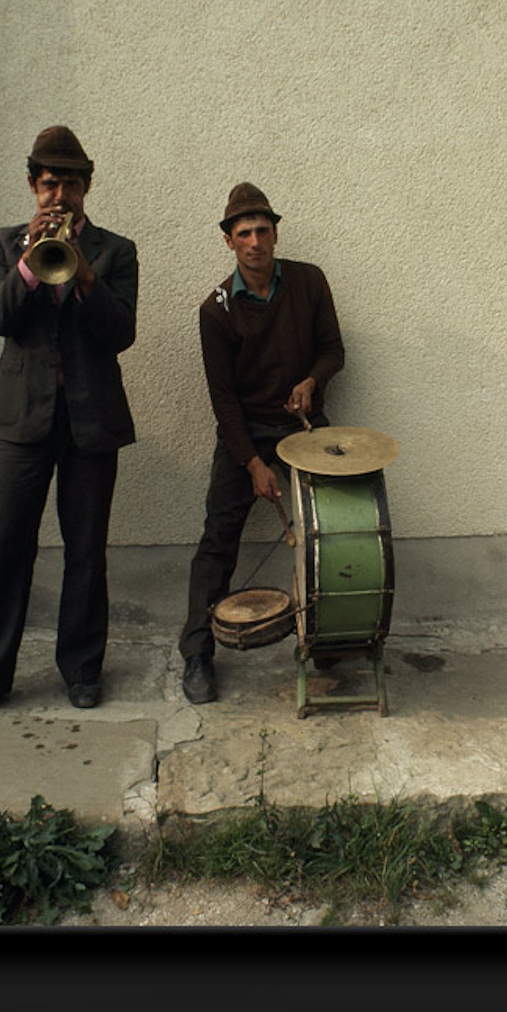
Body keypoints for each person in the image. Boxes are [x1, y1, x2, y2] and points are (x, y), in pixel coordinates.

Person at [0, 126, 139, 724]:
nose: (61, 193)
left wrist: (82, 277)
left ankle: (81, 670)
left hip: (91, 421)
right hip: (21, 422)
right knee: (3, 550)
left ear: (87, 186)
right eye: (50, 182)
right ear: (32, 185)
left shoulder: (115, 250)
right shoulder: (3, 245)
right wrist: (31, 264)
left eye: (72, 183)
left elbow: (120, 333)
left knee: (85, 552)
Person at [176, 183, 344, 704]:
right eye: (243, 233)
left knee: (328, 529)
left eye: (262, 230)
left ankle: (327, 636)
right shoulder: (216, 309)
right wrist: (251, 462)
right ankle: (198, 654)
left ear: (275, 233)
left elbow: (333, 350)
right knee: (217, 540)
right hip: (244, 431)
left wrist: (312, 381)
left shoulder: (309, 281)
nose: (255, 241)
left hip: (302, 425)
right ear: (228, 241)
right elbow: (222, 400)